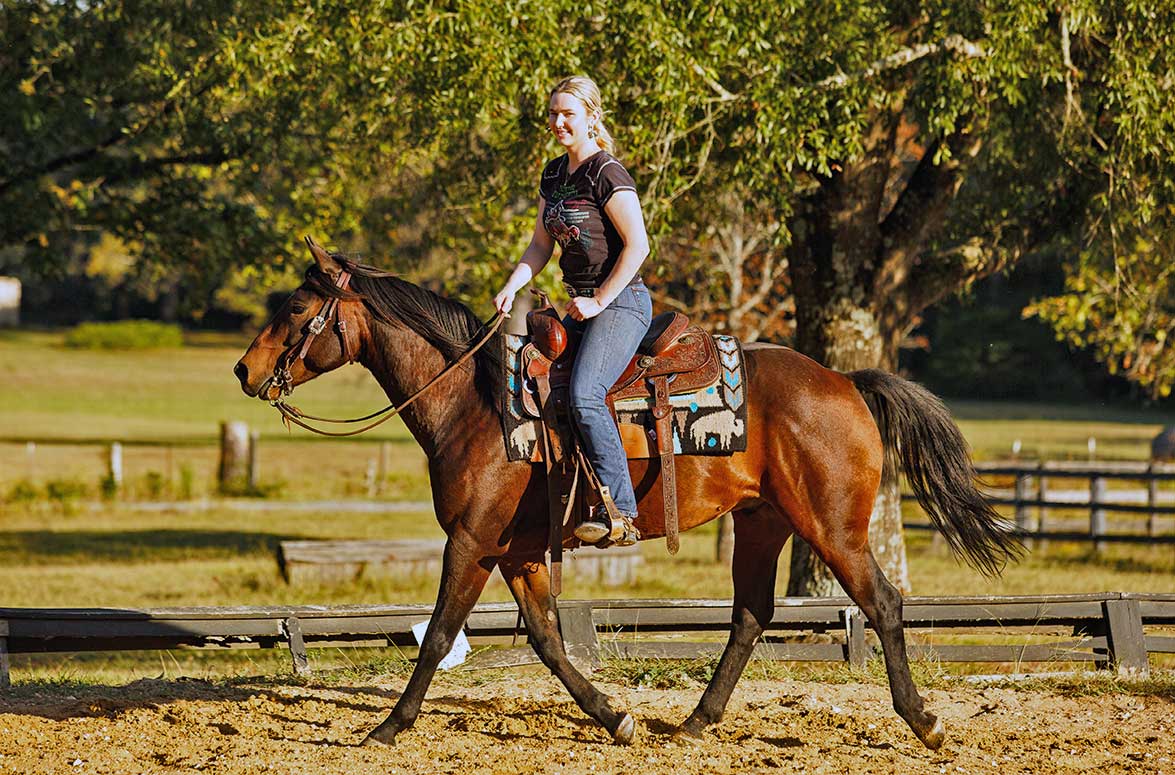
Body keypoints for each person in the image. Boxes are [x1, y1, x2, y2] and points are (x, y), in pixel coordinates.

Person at [493, 75, 652, 545]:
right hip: (580, 305)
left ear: (591, 118)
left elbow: (638, 246)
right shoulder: (553, 176)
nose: (559, 122)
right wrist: (511, 284)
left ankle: (622, 512)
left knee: (585, 393)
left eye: (569, 114)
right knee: (531, 381)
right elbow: (541, 245)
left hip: (621, 301)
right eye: (553, 114)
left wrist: (600, 298)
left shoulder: (607, 174)